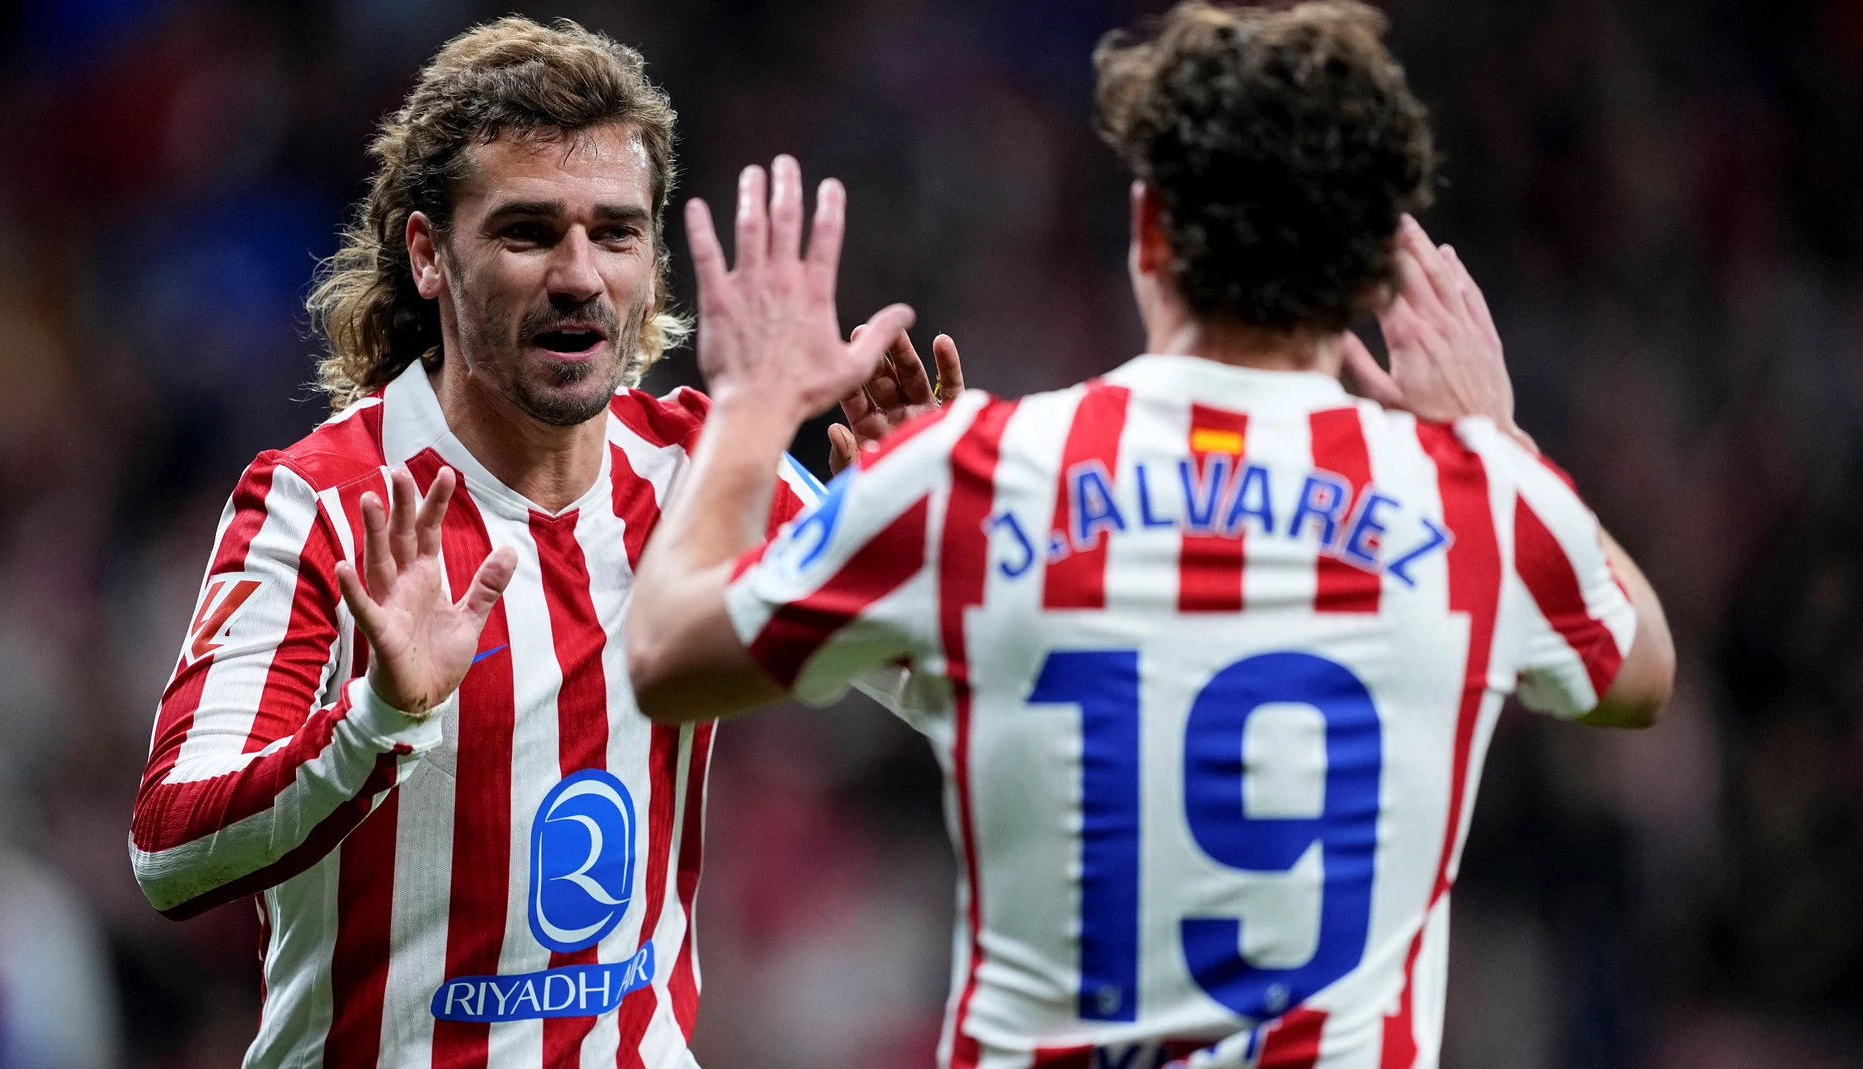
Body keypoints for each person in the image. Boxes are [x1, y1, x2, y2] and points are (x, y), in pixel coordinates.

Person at [624, 3, 1676, 1068]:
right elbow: (1640, 670)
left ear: (1147, 230)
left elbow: (666, 656)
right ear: (1369, 279)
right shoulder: (1480, 499)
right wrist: (1496, 437)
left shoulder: (974, 476)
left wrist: (756, 407)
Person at [126, 16, 949, 1069]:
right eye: (527, 232)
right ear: (428, 254)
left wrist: (929, 538)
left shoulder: (707, 473)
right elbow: (170, 848)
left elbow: (962, 697)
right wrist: (374, 720)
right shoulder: (322, 502)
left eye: (614, 233)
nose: (579, 275)